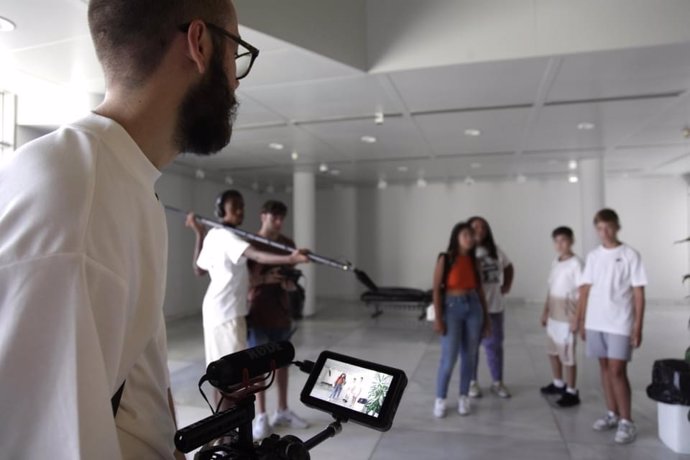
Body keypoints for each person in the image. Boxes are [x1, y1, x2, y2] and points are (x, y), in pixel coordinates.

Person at [0, 0, 251, 458]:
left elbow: (134, 385)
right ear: (199, 44)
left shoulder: (122, 185)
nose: (235, 80)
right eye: (236, 54)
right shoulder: (80, 202)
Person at [185, 191, 309, 415]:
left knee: (221, 372)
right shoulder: (227, 237)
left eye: (242, 207)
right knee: (231, 375)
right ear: (222, 211)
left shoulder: (214, 234)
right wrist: (291, 258)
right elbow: (257, 256)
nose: (240, 212)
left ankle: (223, 427)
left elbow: (198, 268)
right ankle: (227, 429)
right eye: (235, 207)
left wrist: (199, 233)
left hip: (218, 311)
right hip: (227, 313)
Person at [575, 209, 647, 444]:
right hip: (596, 321)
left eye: (608, 227)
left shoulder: (630, 255)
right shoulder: (594, 256)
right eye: (599, 228)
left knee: (617, 370)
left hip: (620, 321)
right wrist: (582, 320)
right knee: (604, 367)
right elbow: (585, 289)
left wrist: (638, 326)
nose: (604, 233)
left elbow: (638, 293)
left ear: (617, 226)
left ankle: (627, 421)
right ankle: (612, 414)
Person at [246, 200, 309, 439]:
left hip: (282, 312)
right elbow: (244, 281)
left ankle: (282, 409)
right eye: (275, 218)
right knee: (258, 368)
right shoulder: (250, 243)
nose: (279, 223)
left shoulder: (287, 244)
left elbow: (292, 281)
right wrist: (265, 280)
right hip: (258, 312)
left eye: (282, 218)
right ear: (263, 216)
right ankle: (260, 415)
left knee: (283, 363)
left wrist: (289, 284)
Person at [433, 222, 490, 418]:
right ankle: (440, 398)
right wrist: (438, 318)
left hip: (473, 307)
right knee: (449, 357)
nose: (470, 238)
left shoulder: (475, 261)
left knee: (470, 356)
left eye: (472, 235)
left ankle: (463, 397)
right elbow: (436, 290)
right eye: (466, 234)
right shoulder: (446, 258)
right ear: (456, 236)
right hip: (451, 308)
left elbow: (480, 291)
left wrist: (487, 320)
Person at [467, 216, 514, 399]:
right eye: (475, 227)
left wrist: (506, 285)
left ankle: (497, 382)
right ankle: (472, 382)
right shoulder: (466, 250)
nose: (479, 230)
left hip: (495, 307)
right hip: (473, 308)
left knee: (494, 346)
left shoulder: (496, 250)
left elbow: (509, 267)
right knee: (471, 348)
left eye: (483, 227)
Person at [539, 226, 583, 407]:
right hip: (553, 315)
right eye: (556, 241)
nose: (560, 244)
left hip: (567, 316)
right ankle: (558, 383)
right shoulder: (556, 261)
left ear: (571, 241)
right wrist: (545, 310)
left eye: (563, 240)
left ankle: (571, 391)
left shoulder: (576, 264)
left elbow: (582, 292)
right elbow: (551, 288)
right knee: (553, 351)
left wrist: (577, 318)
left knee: (567, 355)